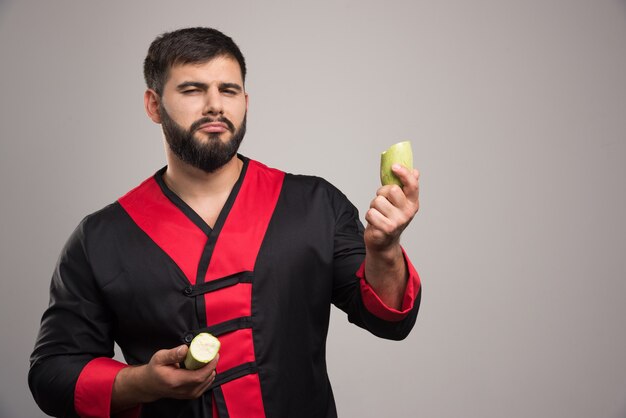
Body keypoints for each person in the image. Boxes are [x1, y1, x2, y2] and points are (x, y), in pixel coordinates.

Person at [29, 27, 422, 418]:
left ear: (245, 102)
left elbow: (388, 319)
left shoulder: (314, 204)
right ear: (153, 105)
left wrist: (385, 250)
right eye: (192, 90)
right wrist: (142, 382)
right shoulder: (100, 238)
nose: (215, 105)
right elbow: (53, 373)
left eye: (228, 90)